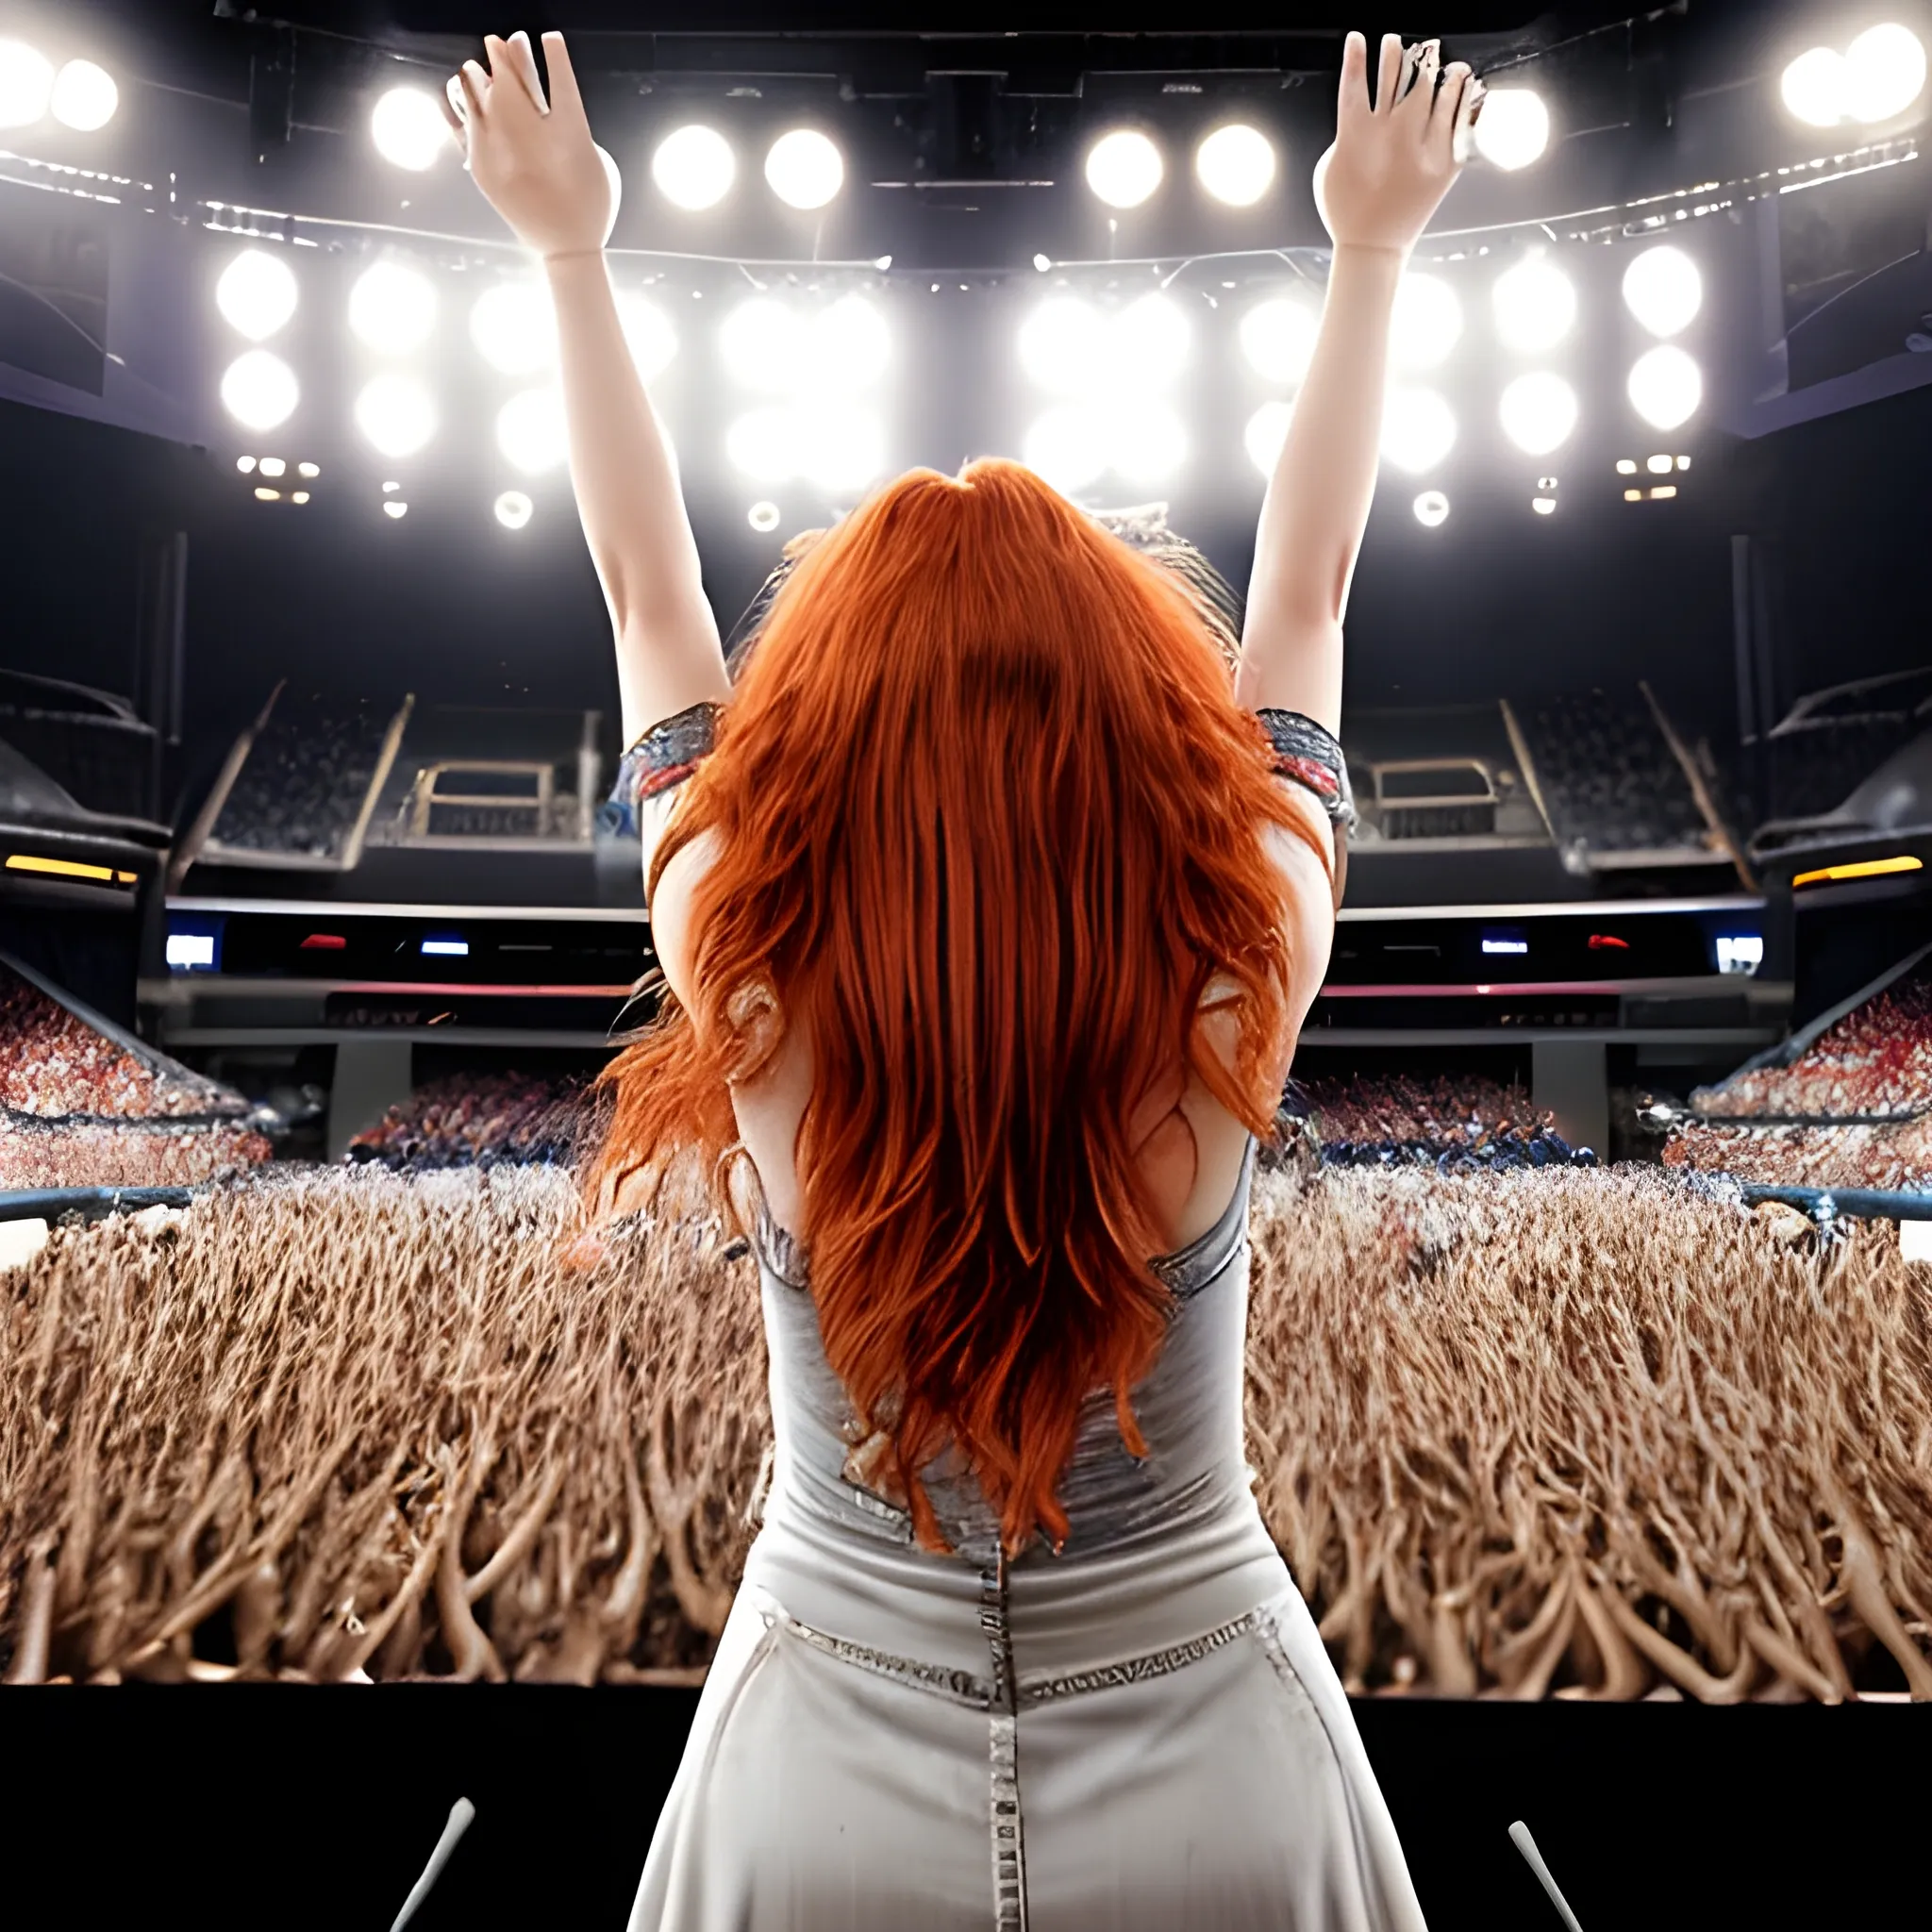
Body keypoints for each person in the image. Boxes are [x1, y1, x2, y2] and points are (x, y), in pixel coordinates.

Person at [447, 28, 1481, 1929]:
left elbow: (643, 597)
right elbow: (1311, 595)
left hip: (816, 1761)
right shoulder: (1238, 960)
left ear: (827, 739)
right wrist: (1372, 248)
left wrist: (568, 253)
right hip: (1220, 1769)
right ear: (1127, 724)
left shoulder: (744, 975)